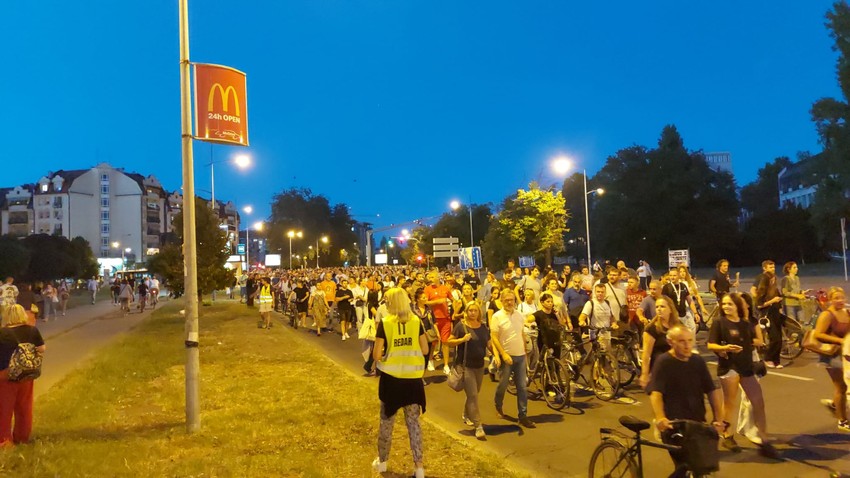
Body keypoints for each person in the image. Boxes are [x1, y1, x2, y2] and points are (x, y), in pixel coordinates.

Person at [647, 325, 724, 478]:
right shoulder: (664, 362)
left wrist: (719, 419)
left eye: (690, 340)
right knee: (685, 466)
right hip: (674, 426)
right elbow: (656, 393)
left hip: (697, 423)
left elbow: (711, 391)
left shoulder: (697, 361)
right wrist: (661, 417)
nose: (688, 345)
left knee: (702, 466)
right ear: (671, 342)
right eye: (682, 341)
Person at [707, 293, 778, 457]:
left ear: (738, 306)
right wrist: (725, 349)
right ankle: (727, 435)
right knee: (730, 403)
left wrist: (754, 344)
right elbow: (711, 344)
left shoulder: (746, 324)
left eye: (729, 304)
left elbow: (756, 341)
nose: (725, 307)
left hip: (746, 367)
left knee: (758, 402)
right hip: (729, 366)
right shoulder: (719, 323)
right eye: (724, 304)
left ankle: (764, 440)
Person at [371, 288, 428, 478]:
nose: (385, 303)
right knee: (414, 424)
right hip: (412, 381)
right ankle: (419, 467)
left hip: (392, 381)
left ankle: (383, 462)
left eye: (387, 300)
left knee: (387, 422)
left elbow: (377, 354)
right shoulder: (416, 321)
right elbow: (425, 348)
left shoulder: (386, 323)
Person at [0, 304, 45, 446]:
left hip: (5, 375)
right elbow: (41, 349)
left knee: (4, 409)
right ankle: (22, 438)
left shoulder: (2, 332)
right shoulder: (32, 330)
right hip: (26, 374)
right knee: (24, 408)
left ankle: (4, 440)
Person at [490, 289, 535, 428]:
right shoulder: (497, 316)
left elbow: (521, 332)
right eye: (507, 300)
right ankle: (498, 406)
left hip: (520, 356)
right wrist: (502, 354)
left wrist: (525, 350)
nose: (510, 302)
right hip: (506, 357)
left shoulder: (519, 315)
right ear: (502, 301)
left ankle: (523, 415)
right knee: (503, 385)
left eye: (512, 300)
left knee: (522, 387)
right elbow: (494, 337)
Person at [446, 301, 490, 439]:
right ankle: (478, 426)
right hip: (466, 366)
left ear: (479, 312)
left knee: (475, 392)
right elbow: (448, 341)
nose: (472, 313)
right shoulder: (461, 326)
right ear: (466, 311)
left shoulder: (483, 327)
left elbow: (488, 343)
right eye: (470, 310)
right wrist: (462, 340)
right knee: (473, 396)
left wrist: (497, 355)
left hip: (479, 365)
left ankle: (467, 414)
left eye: (475, 310)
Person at [813, 286, 849, 432]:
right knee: (842, 387)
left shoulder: (846, 312)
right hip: (832, 355)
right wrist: (840, 341)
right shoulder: (827, 315)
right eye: (836, 298)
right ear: (830, 299)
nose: (840, 301)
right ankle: (842, 420)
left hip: (846, 354)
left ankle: (835, 405)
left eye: (842, 297)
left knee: (844, 385)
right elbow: (818, 334)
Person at [639, 295, 681, 389]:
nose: (659, 309)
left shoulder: (678, 326)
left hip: (677, 369)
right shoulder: (652, 329)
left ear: (670, 309)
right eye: (657, 307)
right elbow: (646, 354)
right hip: (659, 371)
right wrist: (645, 374)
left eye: (662, 306)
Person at [424, 271, 453, 375]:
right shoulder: (427, 289)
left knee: (445, 342)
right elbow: (425, 302)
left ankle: (446, 365)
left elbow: (452, 299)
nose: (430, 279)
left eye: (432, 277)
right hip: (433, 319)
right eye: (429, 277)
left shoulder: (445, 288)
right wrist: (437, 302)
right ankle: (430, 360)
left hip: (445, 318)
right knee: (433, 341)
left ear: (437, 277)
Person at [754, 271, 784, 368]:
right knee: (774, 338)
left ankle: (777, 360)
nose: (773, 281)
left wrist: (780, 309)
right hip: (768, 316)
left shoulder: (775, 290)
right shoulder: (762, 290)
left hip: (776, 315)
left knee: (780, 339)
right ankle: (768, 358)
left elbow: (779, 302)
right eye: (771, 280)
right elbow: (759, 305)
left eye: (774, 279)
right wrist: (772, 301)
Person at [662, 269, 698, 334]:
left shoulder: (683, 286)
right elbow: (664, 302)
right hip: (673, 315)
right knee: (676, 333)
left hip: (684, 313)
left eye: (674, 275)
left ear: (678, 276)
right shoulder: (666, 287)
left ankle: (690, 343)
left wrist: (695, 313)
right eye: (670, 275)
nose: (672, 277)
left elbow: (689, 300)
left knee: (692, 328)